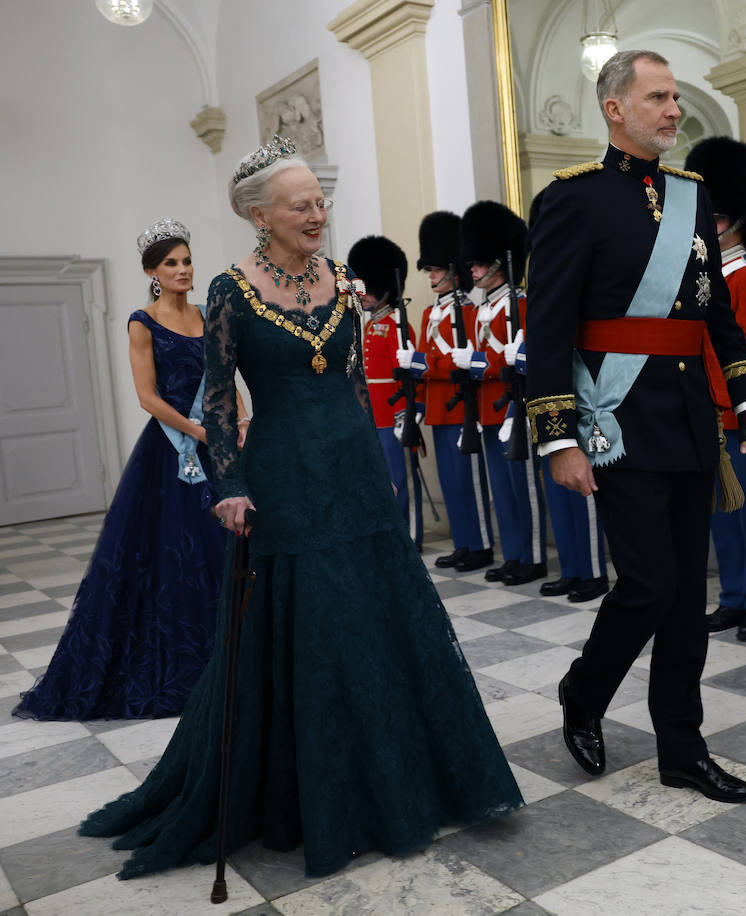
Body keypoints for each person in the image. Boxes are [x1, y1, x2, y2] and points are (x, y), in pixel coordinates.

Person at [79, 137, 522, 878]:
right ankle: (321, 793)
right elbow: (219, 396)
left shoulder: (343, 278)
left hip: (352, 467)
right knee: (315, 626)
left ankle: (403, 777)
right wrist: (229, 483)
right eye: (301, 205)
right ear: (260, 216)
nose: (319, 213)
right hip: (281, 474)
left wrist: (377, 461)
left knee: (379, 618)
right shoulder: (229, 291)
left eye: (321, 200)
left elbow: (351, 380)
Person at [526, 50, 746, 803]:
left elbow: (715, 311)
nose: (673, 111)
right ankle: (585, 690)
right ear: (615, 108)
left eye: (674, 99)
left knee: (686, 590)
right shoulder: (573, 199)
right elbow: (549, 327)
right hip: (616, 421)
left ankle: (681, 748)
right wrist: (559, 437)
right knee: (648, 586)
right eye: (657, 98)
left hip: (691, 419)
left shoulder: (692, 197)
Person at [13, 220, 238, 721]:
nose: (182, 270)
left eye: (186, 260)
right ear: (152, 272)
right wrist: (199, 433)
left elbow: (225, 379)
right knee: (175, 552)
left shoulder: (207, 315)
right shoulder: (143, 320)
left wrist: (236, 422)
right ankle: (182, 664)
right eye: (171, 264)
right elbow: (147, 397)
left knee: (226, 546)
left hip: (217, 444)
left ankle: (234, 659)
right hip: (172, 449)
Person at [687, 136, 746, 642]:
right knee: (722, 514)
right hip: (705, 410)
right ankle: (732, 596)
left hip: (745, 410)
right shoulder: (700, 275)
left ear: (736, 217)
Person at [527, 189, 611, 605]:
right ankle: (574, 566)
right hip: (548, 398)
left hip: (588, 392)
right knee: (558, 492)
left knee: (585, 488)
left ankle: (593, 570)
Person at [461, 200, 548, 586]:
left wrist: (483, 361)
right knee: (502, 490)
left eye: (480, 264)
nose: (474, 270)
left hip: (514, 407)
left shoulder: (520, 302)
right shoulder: (485, 308)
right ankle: (513, 553)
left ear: (498, 263)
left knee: (523, 487)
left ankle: (532, 556)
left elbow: (521, 357)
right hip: (488, 409)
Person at [412, 211, 495, 571]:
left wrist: (427, 365)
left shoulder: (471, 312)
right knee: (450, 481)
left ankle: (478, 544)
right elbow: (421, 362)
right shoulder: (431, 312)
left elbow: (462, 362)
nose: (431, 276)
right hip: (437, 408)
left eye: (435, 270)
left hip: (461, 407)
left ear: (452, 271)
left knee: (468, 481)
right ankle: (462, 542)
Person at [347, 234, 419, 531]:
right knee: (383, 478)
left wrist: (407, 414)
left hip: (394, 416)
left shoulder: (397, 324)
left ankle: (409, 533)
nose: (363, 294)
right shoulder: (371, 323)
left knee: (401, 479)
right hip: (373, 416)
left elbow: (409, 377)